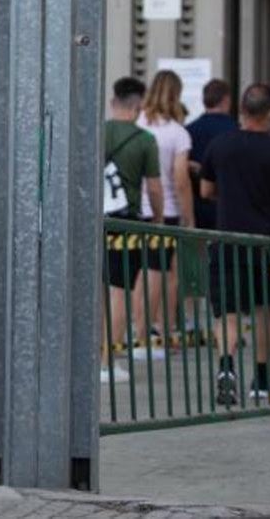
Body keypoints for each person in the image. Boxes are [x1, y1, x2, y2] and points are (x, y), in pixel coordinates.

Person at [200, 84, 270, 403]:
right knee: (265, 311)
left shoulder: (220, 146)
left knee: (227, 313)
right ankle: (261, 378)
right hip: (266, 244)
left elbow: (206, 190)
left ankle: (226, 366)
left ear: (242, 111)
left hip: (226, 240)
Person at [101, 77, 164, 383]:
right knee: (119, 293)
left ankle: (86, 357)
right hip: (126, 225)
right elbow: (153, 188)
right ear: (138, 106)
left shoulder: (92, 132)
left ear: (114, 102)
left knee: (93, 293)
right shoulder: (144, 140)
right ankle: (105, 361)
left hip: (90, 222)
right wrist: (159, 220)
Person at [135, 70, 195, 358]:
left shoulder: (138, 125)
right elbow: (180, 179)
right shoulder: (177, 132)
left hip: (137, 209)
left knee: (138, 274)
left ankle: (139, 332)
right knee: (167, 275)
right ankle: (164, 330)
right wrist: (189, 217)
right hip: (167, 209)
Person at [186, 79, 236, 231]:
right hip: (229, 206)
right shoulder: (237, 131)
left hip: (197, 206)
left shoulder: (188, 130)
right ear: (226, 100)